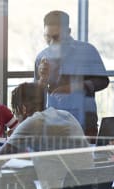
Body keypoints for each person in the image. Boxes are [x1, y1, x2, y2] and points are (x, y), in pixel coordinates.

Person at [0, 82, 93, 189]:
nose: (16, 115)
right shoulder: (66, 116)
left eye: (15, 110)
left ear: (23, 109)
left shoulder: (33, 122)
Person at [34, 10, 109, 138]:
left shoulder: (87, 51)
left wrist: (74, 87)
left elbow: (103, 81)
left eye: (56, 37)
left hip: (85, 123)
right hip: (53, 124)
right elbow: (36, 95)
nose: (51, 42)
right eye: (47, 37)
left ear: (68, 32)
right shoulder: (41, 57)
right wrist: (42, 80)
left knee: (86, 157)